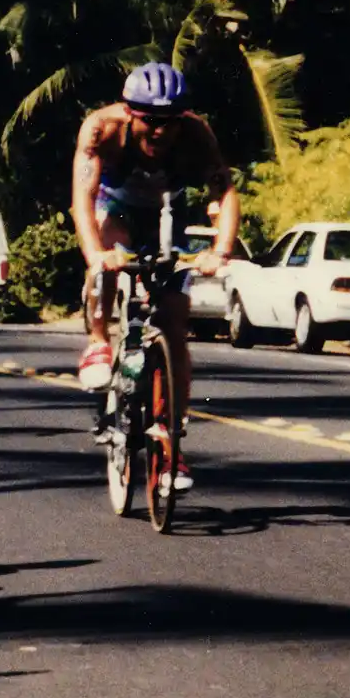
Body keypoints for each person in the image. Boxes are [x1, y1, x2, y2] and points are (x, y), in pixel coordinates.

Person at [72, 63, 239, 493]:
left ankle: (172, 444)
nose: (160, 131)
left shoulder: (197, 134)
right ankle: (97, 341)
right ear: (130, 113)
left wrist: (218, 251)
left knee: (174, 325)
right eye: (149, 120)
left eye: (169, 122)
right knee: (109, 252)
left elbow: (224, 192)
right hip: (116, 207)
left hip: (168, 214)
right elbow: (84, 197)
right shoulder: (100, 130)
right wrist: (96, 256)